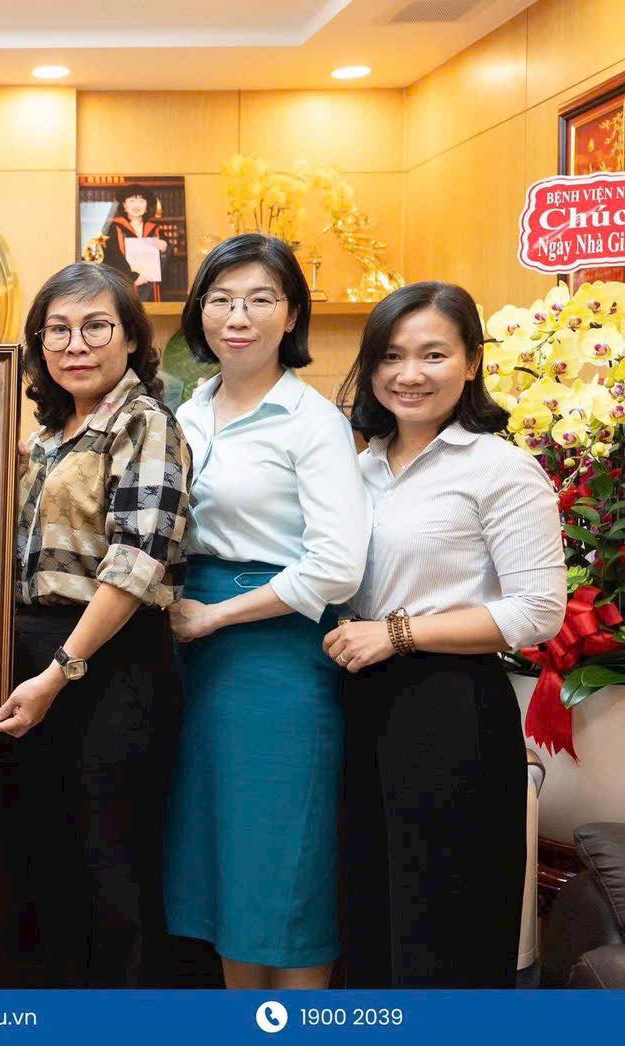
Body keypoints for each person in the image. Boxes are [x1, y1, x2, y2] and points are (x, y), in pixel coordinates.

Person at [328, 282, 565, 987]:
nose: (410, 374)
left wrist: (397, 634)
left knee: (442, 921)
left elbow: (538, 610)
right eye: (391, 356)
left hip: (450, 707)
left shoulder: (499, 468)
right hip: (355, 702)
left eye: (433, 354)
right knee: (367, 911)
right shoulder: (357, 468)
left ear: (472, 362)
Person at [164, 232, 370, 990]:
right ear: (199, 312)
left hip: (277, 656)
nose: (237, 317)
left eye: (259, 299)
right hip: (191, 652)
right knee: (223, 860)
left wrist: (218, 616)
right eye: (220, 299)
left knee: (282, 859)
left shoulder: (311, 421)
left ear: (291, 314)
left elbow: (338, 565)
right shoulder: (188, 410)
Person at [0, 261, 193, 986]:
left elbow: (135, 565)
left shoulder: (146, 423)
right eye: (58, 330)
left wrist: (60, 672)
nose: (75, 345)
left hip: (110, 661)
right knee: (50, 864)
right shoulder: (47, 436)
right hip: (36, 659)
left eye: (96, 327)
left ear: (132, 338)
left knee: (114, 869)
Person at [84, 186, 170, 302]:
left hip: (150, 286)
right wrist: (133, 277)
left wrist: (165, 248)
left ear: (147, 206)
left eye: (141, 201)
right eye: (131, 200)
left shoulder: (156, 230)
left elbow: (169, 258)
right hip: (124, 284)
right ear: (124, 205)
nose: (136, 205)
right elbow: (111, 257)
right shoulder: (113, 229)